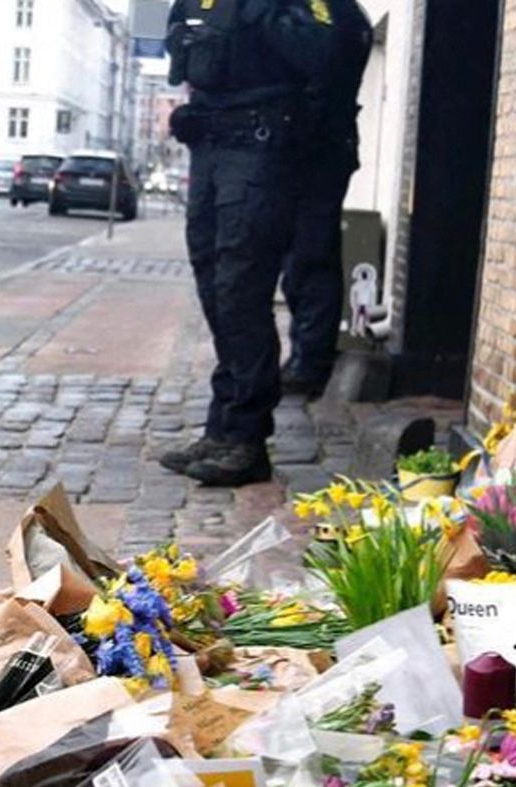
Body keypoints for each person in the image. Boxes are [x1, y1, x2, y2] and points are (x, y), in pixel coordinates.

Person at [158, 0, 335, 487]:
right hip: (211, 149)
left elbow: (323, 50)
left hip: (260, 152)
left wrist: (262, 13)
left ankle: (246, 437)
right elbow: (182, 54)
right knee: (214, 287)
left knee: (241, 289)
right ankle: (224, 425)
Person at [279, 0, 372, 398]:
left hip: (318, 150)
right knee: (300, 257)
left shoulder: (328, 10)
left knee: (309, 255)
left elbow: (323, 64)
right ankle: (305, 354)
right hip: (315, 148)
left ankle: (310, 360)